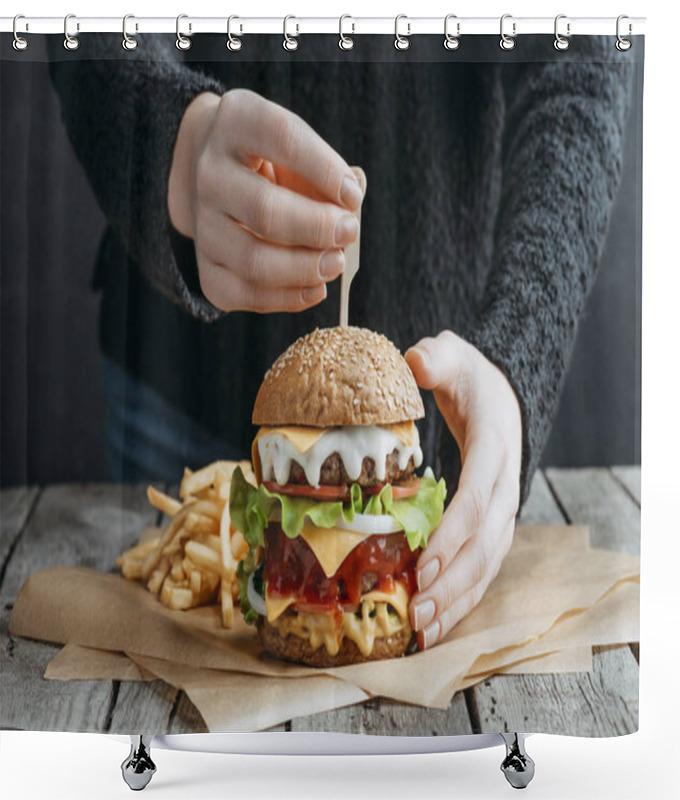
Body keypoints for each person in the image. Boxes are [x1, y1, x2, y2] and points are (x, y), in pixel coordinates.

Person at [47, 32, 632, 650]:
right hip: (166, 373)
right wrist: (168, 135)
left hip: (448, 403)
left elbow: (579, 64)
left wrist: (518, 354)